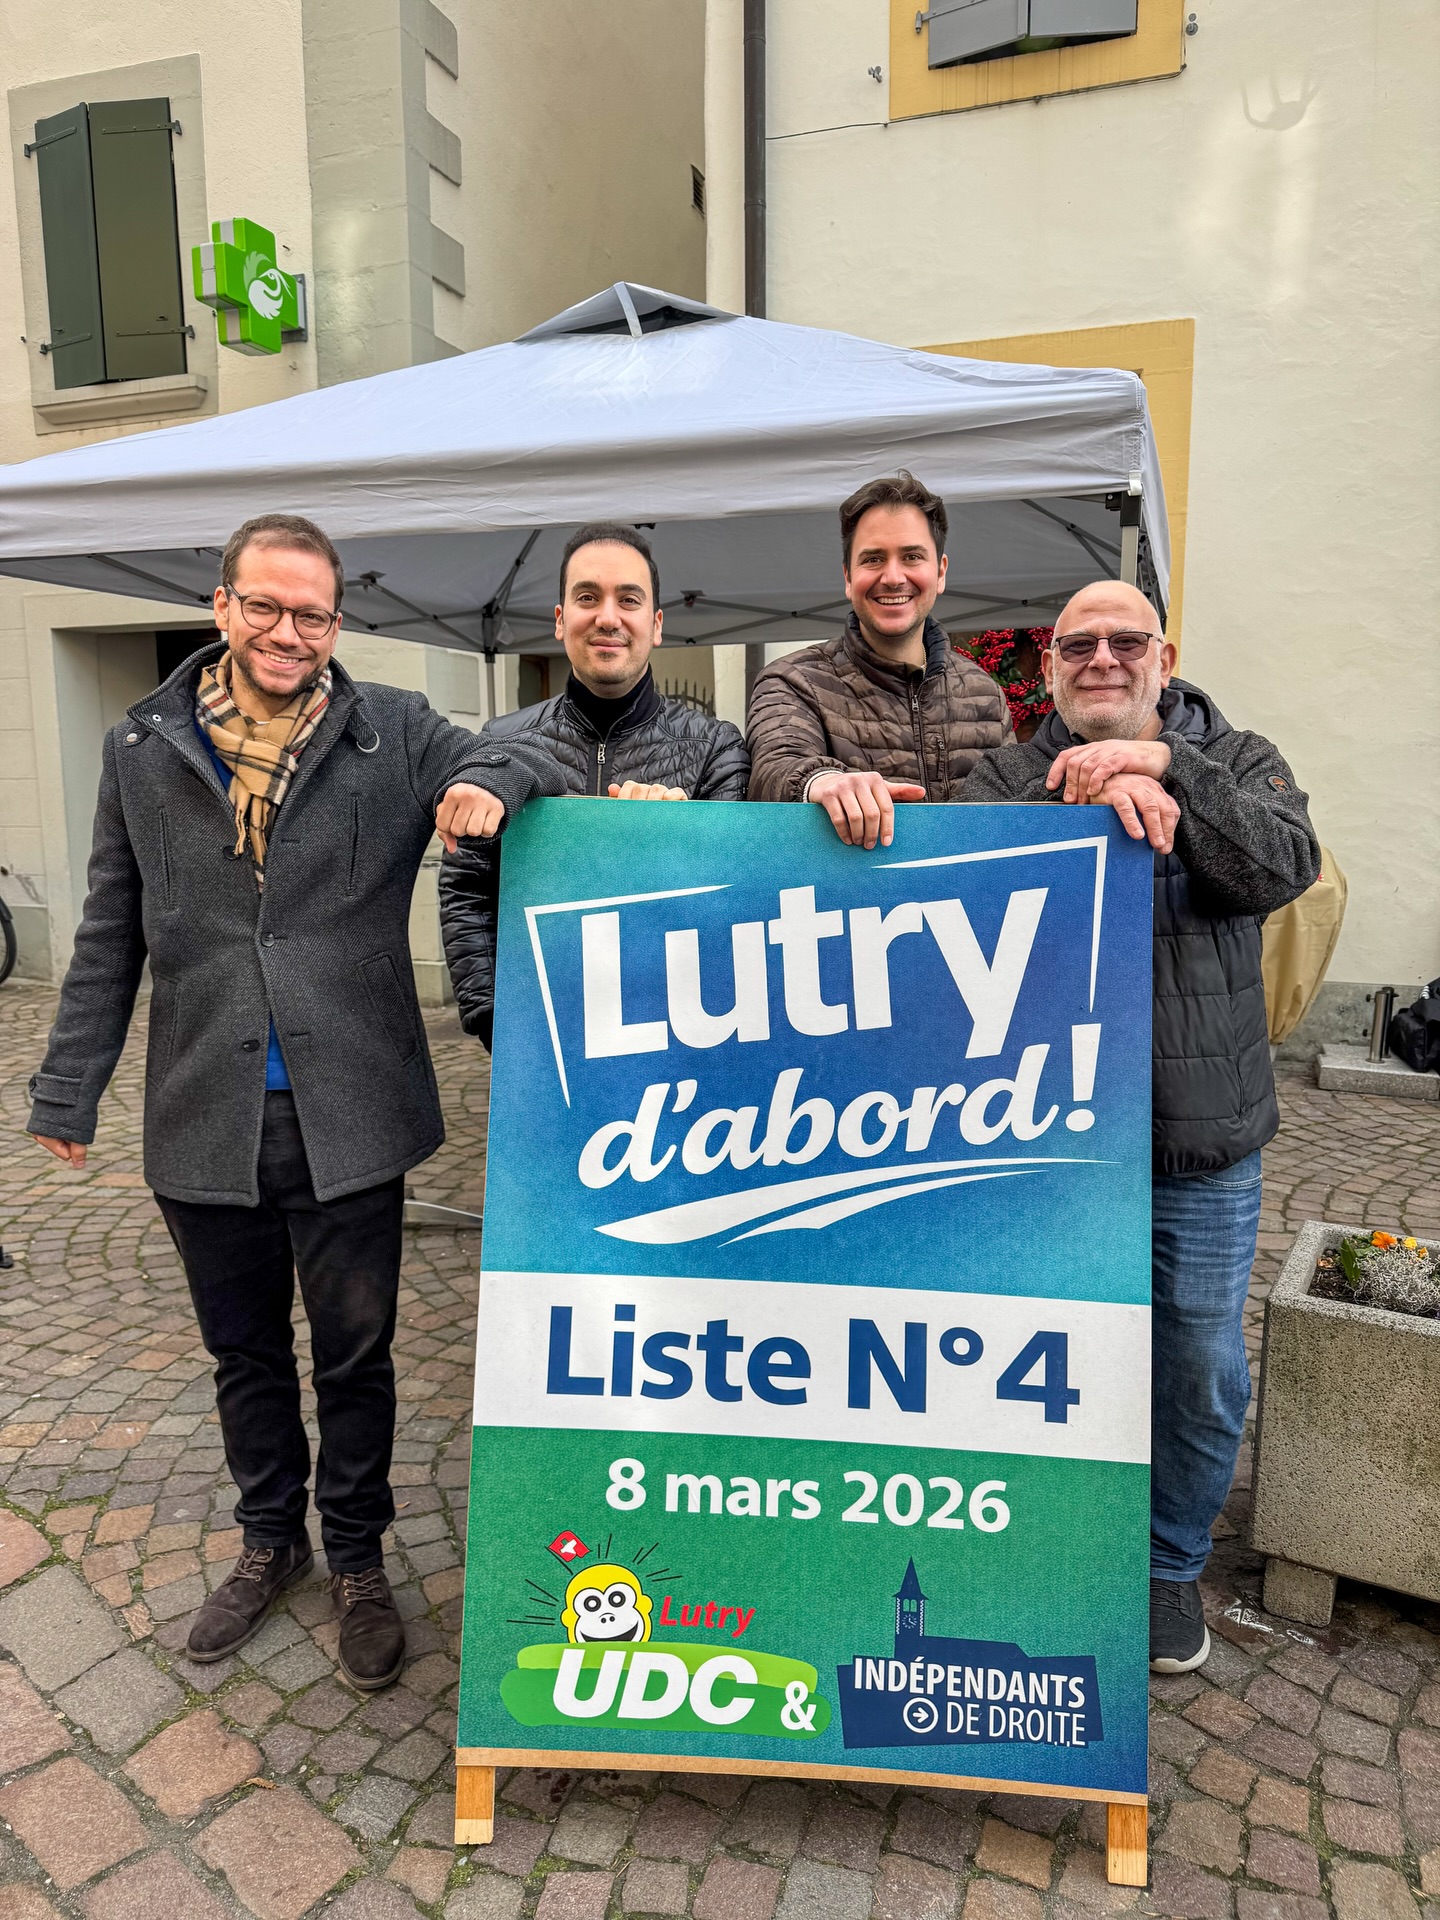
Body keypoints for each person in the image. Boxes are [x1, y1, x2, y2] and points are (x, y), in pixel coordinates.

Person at [27, 513, 562, 1688]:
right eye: (265, 606)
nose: (287, 631)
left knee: (356, 1357)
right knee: (246, 1354)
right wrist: (68, 1088)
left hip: (353, 1109)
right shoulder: (143, 746)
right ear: (222, 605)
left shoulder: (391, 728)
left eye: (311, 613)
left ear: (335, 621)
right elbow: (111, 925)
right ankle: (270, 1541)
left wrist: (482, 786)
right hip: (203, 1113)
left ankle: (359, 1557)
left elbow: (520, 757)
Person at [961, 579, 1321, 1672]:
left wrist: (1164, 770)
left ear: (1164, 658)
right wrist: (1089, 795)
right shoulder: (1005, 776)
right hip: (1044, 1145)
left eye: (1127, 642)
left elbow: (1281, 864)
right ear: (1051, 665)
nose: (1103, 660)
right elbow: (951, 897)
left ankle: (1168, 1568)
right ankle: (1041, 1540)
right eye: (1080, 645)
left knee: (1198, 1367)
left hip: (1197, 1142)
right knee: (1031, 1357)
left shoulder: (1237, 756)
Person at [440, 521, 750, 1045]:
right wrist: (495, 1020)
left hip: (682, 1033)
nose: (608, 617)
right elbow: (467, 890)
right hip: (541, 1032)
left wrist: (671, 842)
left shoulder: (715, 747)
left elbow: (735, 896)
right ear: (561, 620)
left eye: (628, 599)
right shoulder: (500, 742)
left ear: (655, 624)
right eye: (588, 597)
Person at [745, 470, 1012, 846]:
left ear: (940, 572)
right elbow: (775, 768)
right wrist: (821, 781)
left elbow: (1019, 809)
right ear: (847, 577)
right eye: (873, 559)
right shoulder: (792, 682)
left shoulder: (986, 695)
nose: (892, 577)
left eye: (912, 556)